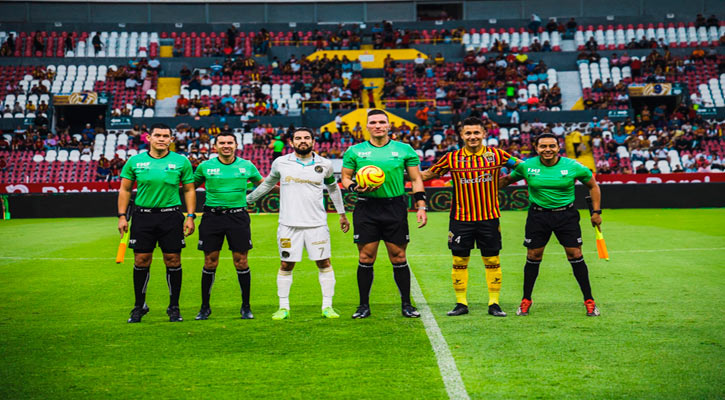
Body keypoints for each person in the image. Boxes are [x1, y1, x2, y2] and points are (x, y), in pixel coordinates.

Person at [421, 117, 520, 317]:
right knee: (459, 259)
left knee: (492, 259)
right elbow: (426, 175)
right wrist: (397, 172)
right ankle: (461, 303)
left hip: (489, 217)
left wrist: (507, 180)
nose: (472, 137)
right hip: (460, 218)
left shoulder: (497, 155)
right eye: (468, 133)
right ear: (461, 135)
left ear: (484, 134)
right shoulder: (451, 158)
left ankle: (494, 303)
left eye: (476, 133)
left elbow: (523, 168)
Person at [247, 127, 349, 319]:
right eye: (298, 138)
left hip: (317, 224)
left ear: (313, 141)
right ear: (291, 142)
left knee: (324, 262)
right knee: (286, 264)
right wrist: (249, 200)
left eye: (307, 138)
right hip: (288, 224)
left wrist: (342, 213)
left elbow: (333, 188)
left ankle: (328, 306)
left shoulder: (324, 164)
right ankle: (283, 307)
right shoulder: (281, 163)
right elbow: (268, 183)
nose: (303, 141)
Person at [499, 133, 602, 317]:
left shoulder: (573, 166)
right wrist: (480, 184)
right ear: (536, 148)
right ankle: (526, 300)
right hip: (538, 217)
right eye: (543, 146)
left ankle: (589, 301)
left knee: (575, 254)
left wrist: (596, 212)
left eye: (552, 146)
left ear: (558, 147)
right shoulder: (527, 166)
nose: (548, 149)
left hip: (566, 216)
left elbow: (593, 186)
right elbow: (506, 181)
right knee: (533, 255)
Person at [341, 109, 427, 319]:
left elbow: (416, 180)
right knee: (365, 256)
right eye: (373, 122)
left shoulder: (404, 150)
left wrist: (421, 206)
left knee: (398, 256)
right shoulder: (355, 151)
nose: (377, 125)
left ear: (389, 126)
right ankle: (363, 306)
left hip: (394, 207)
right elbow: (345, 178)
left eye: (381, 122)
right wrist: (354, 188)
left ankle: (406, 304)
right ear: (367, 126)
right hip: (366, 207)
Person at [117, 124, 196, 323]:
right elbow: (125, 190)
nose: (161, 139)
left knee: (173, 260)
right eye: (157, 135)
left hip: (171, 216)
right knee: (141, 260)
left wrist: (190, 216)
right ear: (148, 138)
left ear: (171, 139)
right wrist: (121, 216)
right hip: (143, 216)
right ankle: (139, 306)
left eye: (165, 136)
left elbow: (189, 190)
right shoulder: (135, 161)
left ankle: (174, 307)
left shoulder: (181, 161)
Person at [192, 132, 263, 320]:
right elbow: (189, 188)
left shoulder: (247, 166)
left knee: (241, 261)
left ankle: (246, 307)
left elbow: (264, 185)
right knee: (210, 261)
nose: (226, 145)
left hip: (237, 217)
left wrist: (290, 187)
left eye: (229, 142)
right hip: (211, 217)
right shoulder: (205, 167)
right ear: (215, 146)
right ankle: (204, 307)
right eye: (222, 142)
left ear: (236, 145)